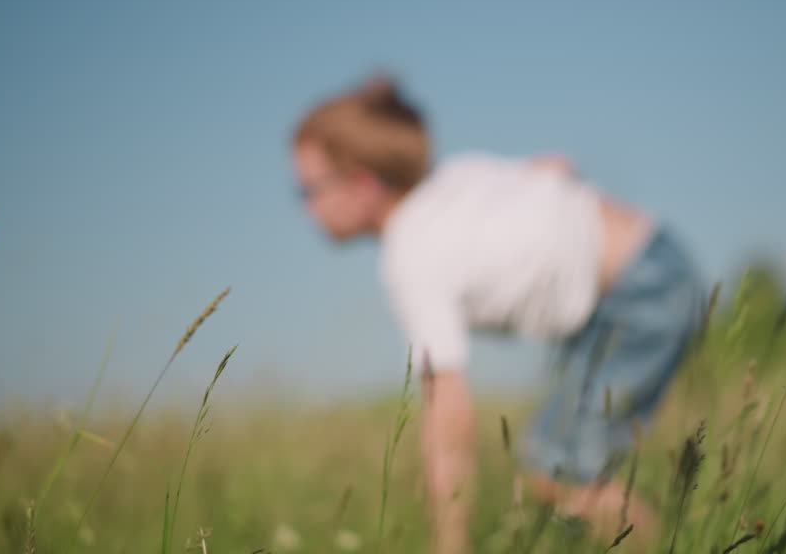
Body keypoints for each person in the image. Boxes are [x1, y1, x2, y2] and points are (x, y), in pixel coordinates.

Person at [288, 72, 708, 553]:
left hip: (638, 294)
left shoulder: (410, 255)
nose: (305, 209)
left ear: (362, 185)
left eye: (309, 190)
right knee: (561, 465)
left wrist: (450, 543)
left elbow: (446, 413)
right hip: (650, 262)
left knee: (561, 472)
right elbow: (555, 167)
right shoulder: (456, 177)